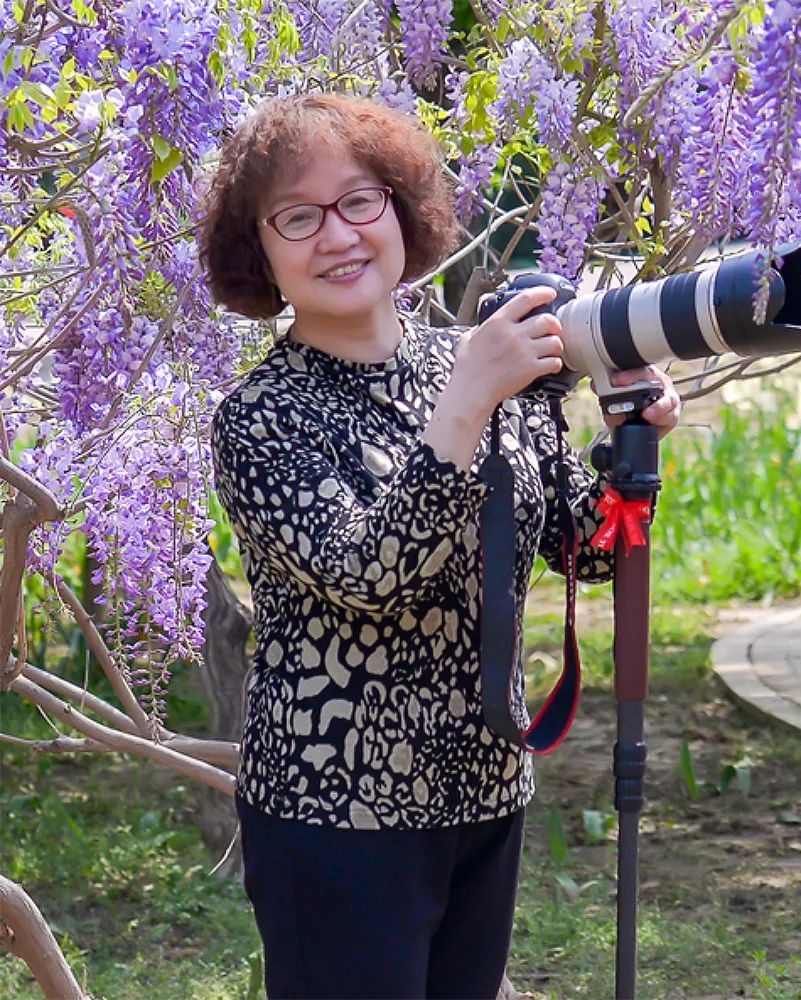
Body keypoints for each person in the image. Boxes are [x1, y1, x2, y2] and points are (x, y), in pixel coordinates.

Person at [198, 91, 681, 1000]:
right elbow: (368, 573)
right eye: (297, 217)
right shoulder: (258, 418)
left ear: (400, 210)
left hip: (484, 790)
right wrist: (469, 402)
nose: (336, 236)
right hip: (337, 812)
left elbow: (590, 550)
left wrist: (634, 439)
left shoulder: (475, 362)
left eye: (358, 202)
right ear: (258, 251)